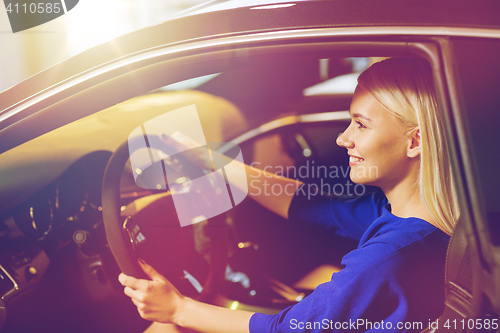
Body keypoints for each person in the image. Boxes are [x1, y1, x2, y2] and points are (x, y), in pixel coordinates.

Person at [118, 57, 459, 332]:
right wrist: (212, 161)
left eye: (361, 124)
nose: (344, 138)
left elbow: (285, 329)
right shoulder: (413, 217)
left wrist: (178, 309)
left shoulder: (389, 258)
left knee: (167, 329)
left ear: (415, 141)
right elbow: (310, 205)